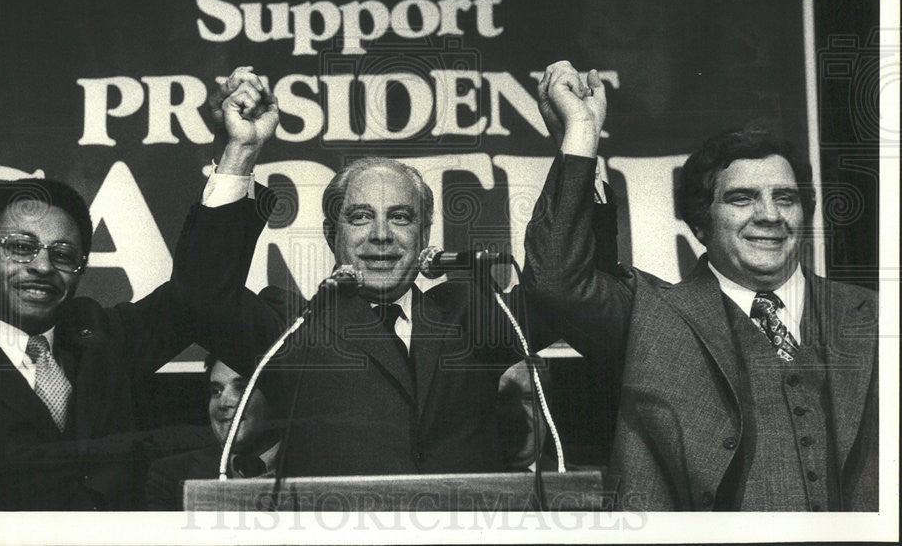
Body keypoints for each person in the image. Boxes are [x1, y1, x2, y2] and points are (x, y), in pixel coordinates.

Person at [179, 66, 617, 478]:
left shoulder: (471, 313)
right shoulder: (293, 326)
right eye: (362, 217)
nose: (382, 235)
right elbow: (202, 294)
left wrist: (578, 142)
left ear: (425, 233)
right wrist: (241, 149)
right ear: (333, 233)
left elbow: (573, 291)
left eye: (402, 217)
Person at [523, 60, 879, 511]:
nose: (769, 215)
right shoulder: (652, 317)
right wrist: (581, 135)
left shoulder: (874, 315)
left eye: (784, 198)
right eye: (741, 198)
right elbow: (555, 281)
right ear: (700, 223)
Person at [0, 144, 260, 510]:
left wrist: (240, 153)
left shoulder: (103, 339)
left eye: (63, 254)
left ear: (80, 270)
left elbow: (197, 294)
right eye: (21, 247)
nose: (42, 266)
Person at [145, 354, 278, 510]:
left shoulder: (311, 463)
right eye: (216, 391)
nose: (222, 403)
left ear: (274, 397)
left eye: (242, 388)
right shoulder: (171, 475)